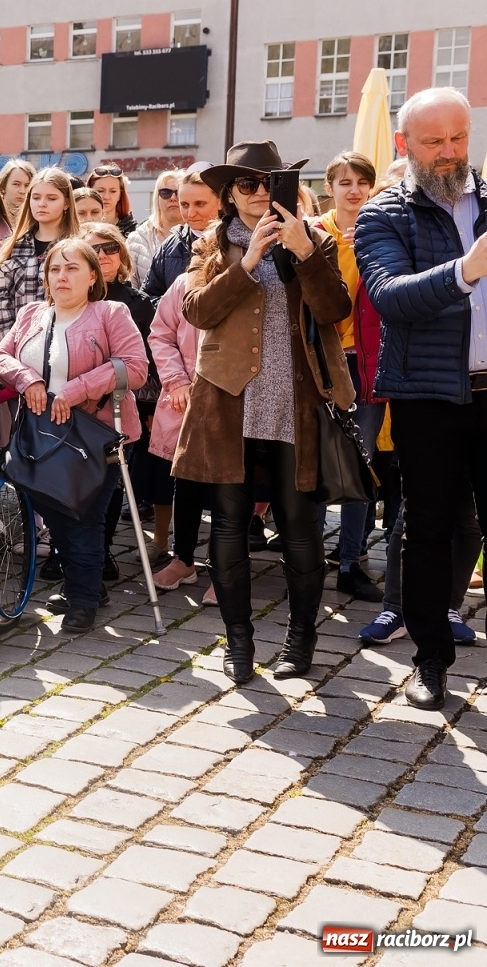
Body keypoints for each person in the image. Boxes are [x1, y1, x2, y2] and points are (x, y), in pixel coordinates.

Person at [173, 141, 352, 685]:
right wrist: (248, 262)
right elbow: (197, 312)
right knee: (227, 526)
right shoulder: (211, 243)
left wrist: (304, 252)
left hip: (294, 405)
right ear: (228, 193)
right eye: (245, 184)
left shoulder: (312, 238)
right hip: (228, 406)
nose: (255, 193)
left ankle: (300, 644)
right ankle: (239, 643)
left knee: (300, 529)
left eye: (266, 183)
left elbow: (336, 310)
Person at [355, 86, 487, 709]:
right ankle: (431, 659)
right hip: (427, 397)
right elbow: (391, 296)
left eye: (458, 137)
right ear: (405, 145)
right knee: (428, 526)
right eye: (434, 142)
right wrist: (469, 268)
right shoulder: (385, 214)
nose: (449, 152)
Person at [0, 239, 148, 632]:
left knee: (83, 518)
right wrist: (28, 380)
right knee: (58, 515)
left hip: (94, 435)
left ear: (93, 275)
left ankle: (82, 600)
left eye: (73, 269)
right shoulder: (31, 314)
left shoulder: (111, 312)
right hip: (41, 436)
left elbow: (135, 368)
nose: (62, 277)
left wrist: (74, 390)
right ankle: (89, 586)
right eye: (55, 270)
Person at [310, 151, 386, 602]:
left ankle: (352, 561)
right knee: (319, 463)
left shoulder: (384, 230)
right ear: (330, 188)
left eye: (362, 181)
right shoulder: (314, 234)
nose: (354, 189)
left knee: (361, 464)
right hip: (322, 361)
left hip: (368, 360)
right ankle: (311, 558)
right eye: (345, 182)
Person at [82, 224, 156, 580]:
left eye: (110, 247)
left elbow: (147, 363)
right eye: (94, 249)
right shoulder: (74, 298)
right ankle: (72, 548)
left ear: (122, 254)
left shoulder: (138, 304)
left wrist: (147, 407)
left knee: (111, 483)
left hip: (122, 404)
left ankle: (103, 548)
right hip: (77, 406)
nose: (103, 255)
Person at [147, 272, 211, 598]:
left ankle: (227, 569)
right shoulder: (187, 283)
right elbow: (160, 332)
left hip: (237, 397)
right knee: (185, 478)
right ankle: (183, 559)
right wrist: (176, 380)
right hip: (187, 396)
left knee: (232, 487)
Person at [0, 167, 81, 342]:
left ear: (66, 203)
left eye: (52, 198)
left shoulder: (78, 247)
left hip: (66, 343)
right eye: (36, 197)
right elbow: (1, 302)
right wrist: (11, 346)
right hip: (16, 345)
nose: (42, 203)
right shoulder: (12, 246)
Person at [143, 167, 221, 299]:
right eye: (184, 205)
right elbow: (148, 298)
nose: (191, 213)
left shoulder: (235, 240)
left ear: (220, 202)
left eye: (200, 204)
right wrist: (174, 311)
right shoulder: (169, 247)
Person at [128, 169, 184, 286]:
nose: (173, 198)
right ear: (157, 199)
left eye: (178, 193)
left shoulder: (199, 235)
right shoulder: (137, 239)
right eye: (165, 193)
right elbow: (130, 288)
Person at [87, 163, 138, 236]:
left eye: (113, 191)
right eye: (100, 191)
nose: (107, 197)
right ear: (89, 192)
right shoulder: (77, 229)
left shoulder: (133, 232)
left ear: (120, 194)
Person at [0, 160, 36, 224]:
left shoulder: (38, 220)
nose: (22, 191)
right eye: (16, 184)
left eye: (27, 185)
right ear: (3, 186)